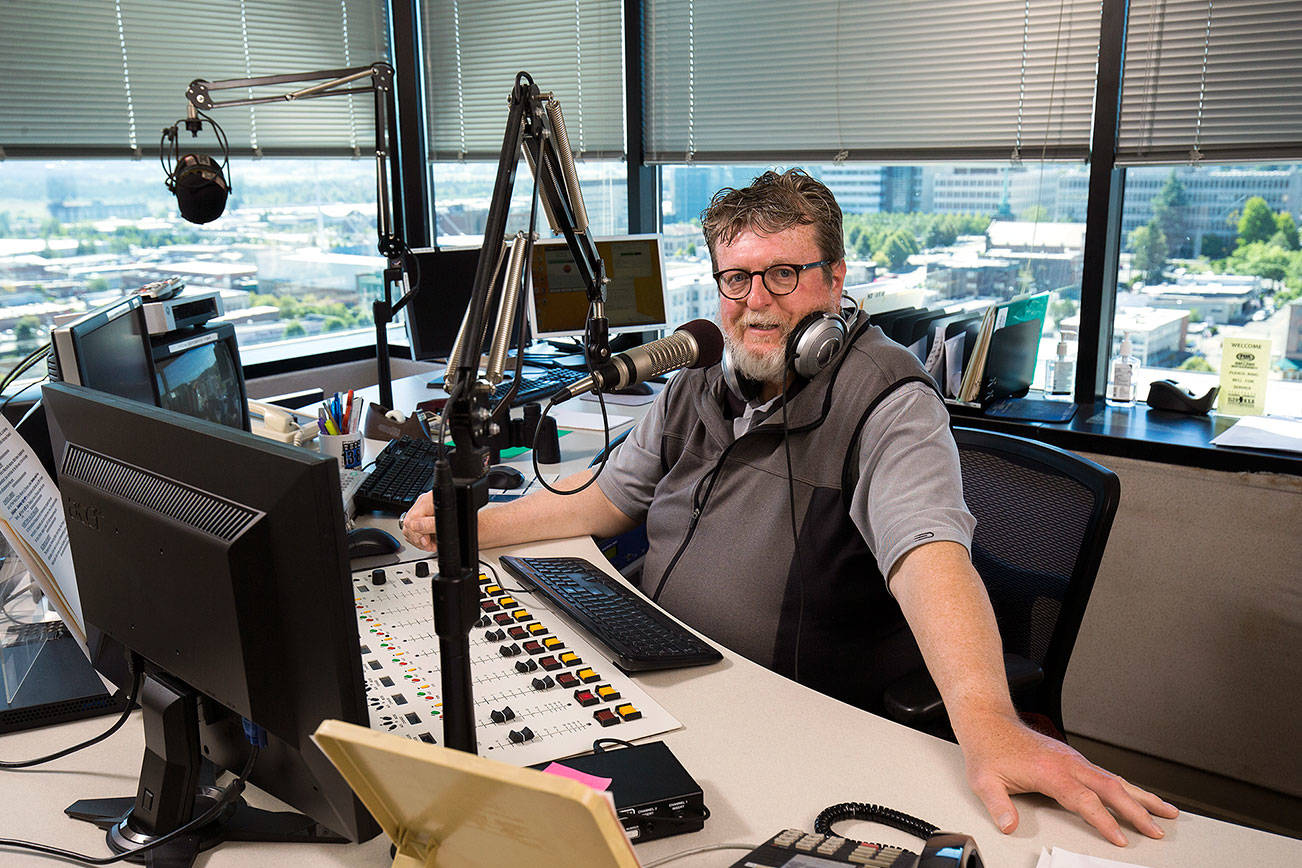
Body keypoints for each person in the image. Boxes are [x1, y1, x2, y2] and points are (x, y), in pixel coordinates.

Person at [401, 169, 1179, 847]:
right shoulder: (696, 385)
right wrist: (470, 525)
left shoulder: (889, 398)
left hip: (776, 713)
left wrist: (989, 722)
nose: (756, 302)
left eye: (784, 274)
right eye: (736, 279)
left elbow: (927, 552)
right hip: (654, 673)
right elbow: (607, 498)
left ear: (835, 281)